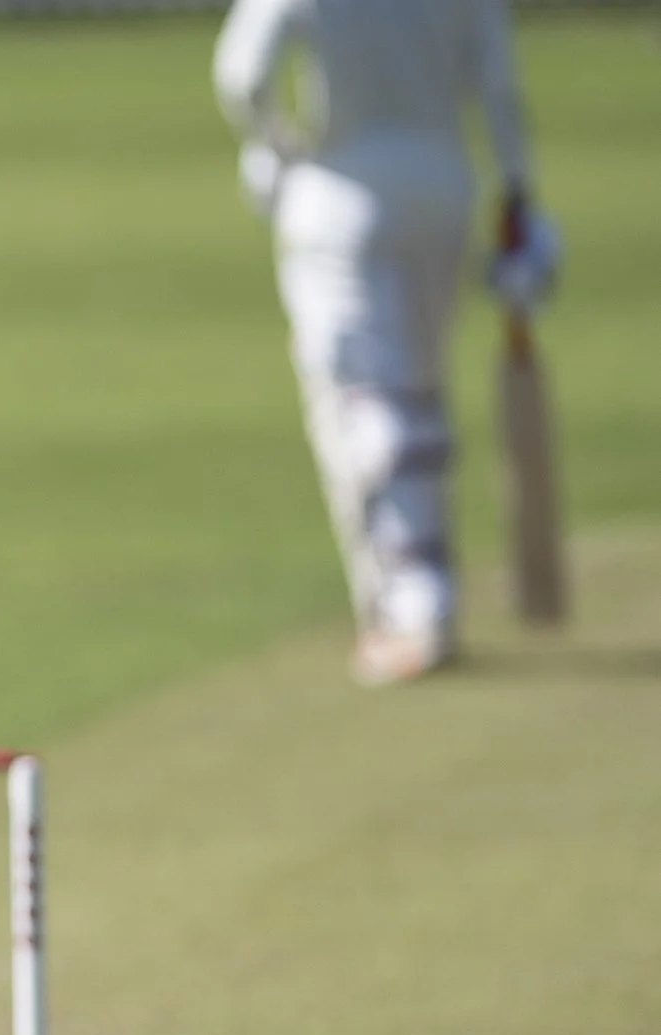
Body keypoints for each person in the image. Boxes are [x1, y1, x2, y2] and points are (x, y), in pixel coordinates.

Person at [214, 0, 560, 685]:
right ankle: (414, 594)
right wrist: (519, 200)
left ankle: (417, 603)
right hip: (442, 191)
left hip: (339, 196)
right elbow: (497, 86)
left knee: (369, 401)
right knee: (416, 394)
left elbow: (241, 73)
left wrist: (277, 146)